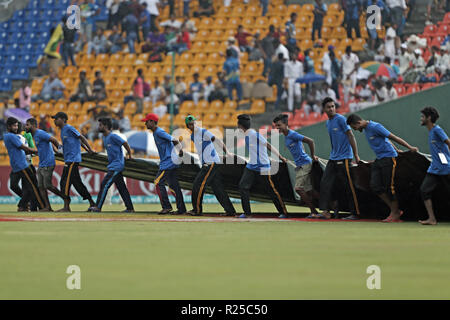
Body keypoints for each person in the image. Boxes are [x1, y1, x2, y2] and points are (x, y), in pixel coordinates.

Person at [346, 113, 418, 222]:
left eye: (354, 127)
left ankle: (395, 213)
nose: (355, 130)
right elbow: (386, 140)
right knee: (375, 186)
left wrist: (409, 147)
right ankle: (395, 210)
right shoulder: (366, 129)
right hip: (379, 159)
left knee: (389, 187)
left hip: (389, 158)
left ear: (358, 123)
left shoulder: (375, 127)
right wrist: (396, 149)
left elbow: (392, 137)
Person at [237, 114, 288, 219]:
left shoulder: (254, 134)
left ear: (240, 126)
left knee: (271, 190)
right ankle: (247, 213)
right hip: (251, 166)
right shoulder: (248, 135)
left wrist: (281, 157)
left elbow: (268, 146)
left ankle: (283, 212)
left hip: (263, 166)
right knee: (243, 186)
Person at [317, 97, 361, 220]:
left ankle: (355, 213)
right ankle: (326, 211)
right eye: (328, 107)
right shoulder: (328, 123)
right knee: (325, 183)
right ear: (324, 109)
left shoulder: (341, 119)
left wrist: (356, 155)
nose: (331, 109)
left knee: (349, 186)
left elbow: (351, 136)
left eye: (333, 106)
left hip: (345, 157)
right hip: (333, 157)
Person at [185, 115, 236, 216]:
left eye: (194, 123)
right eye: (191, 124)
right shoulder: (193, 136)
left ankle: (197, 210)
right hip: (211, 162)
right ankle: (230, 211)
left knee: (198, 185)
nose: (193, 125)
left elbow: (216, 140)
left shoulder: (203, 132)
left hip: (210, 163)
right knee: (218, 188)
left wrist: (227, 152)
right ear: (188, 126)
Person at [273, 114, 320, 217]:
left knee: (298, 189)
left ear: (286, 124)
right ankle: (332, 204)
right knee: (310, 191)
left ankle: (313, 211)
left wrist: (312, 155)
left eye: (279, 125)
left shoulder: (292, 134)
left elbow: (310, 141)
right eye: (276, 126)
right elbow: (300, 145)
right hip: (301, 164)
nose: (277, 128)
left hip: (305, 164)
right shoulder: (286, 136)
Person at [142, 113, 186, 214]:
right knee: (174, 186)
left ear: (152, 122)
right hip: (170, 161)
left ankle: (166, 207)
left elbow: (174, 140)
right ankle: (181, 209)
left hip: (168, 162)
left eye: (147, 121)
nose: (145, 124)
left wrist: (180, 151)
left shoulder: (159, 132)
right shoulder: (156, 132)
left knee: (158, 182)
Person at [88, 118, 135, 213]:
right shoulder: (104, 138)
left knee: (104, 184)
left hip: (116, 166)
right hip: (113, 165)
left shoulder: (113, 136)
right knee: (122, 188)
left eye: (100, 125)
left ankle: (98, 207)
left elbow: (125, 143)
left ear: (105, 126)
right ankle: (130, 208)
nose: (99, 127)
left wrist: (129, 155)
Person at [52, 112, 96, 212]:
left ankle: (66, 207)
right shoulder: (63, 130)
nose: (54, 121)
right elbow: (77, 141)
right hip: (69, 160)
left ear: (63, 119)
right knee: (77, 184)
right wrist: (57, 151)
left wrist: (89, 149)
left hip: (72, 160)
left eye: (56, 118)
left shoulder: (69, 128)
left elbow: (81, 137)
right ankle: (92, 203)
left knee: (65, 183)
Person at [25, 118, 69, 211]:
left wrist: (59, 149)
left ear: (33, 125)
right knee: (41, 187)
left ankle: (65, 198)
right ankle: (48, 207)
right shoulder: (35, 135)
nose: (25, 127)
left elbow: (53, 139)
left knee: (48, 185)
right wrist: (55, 149)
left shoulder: (40, 133)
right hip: (41, 164)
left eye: (27, 125)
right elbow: (48, 141)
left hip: (48, 163)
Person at [4, 117, 44, 211]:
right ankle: (26, 204)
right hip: (18, 165)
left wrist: (34, 151)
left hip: (23, 164)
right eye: (14, 126)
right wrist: (39, 151)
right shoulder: (11, 136)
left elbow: (25, 150)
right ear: (9, 126)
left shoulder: (12, 136)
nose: (16, 127)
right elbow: (25, 148)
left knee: (31, 187)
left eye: (17, 126)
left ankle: (38, 206)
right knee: (18, 186)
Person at [419, 107, 450, 225]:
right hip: (434, 169)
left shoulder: (437, 130)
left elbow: (448, 143)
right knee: (424, 190)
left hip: (445, 168)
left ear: (429, 118)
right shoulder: (431, 132)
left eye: (423, 116)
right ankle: (432, 219)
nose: (421, 119)